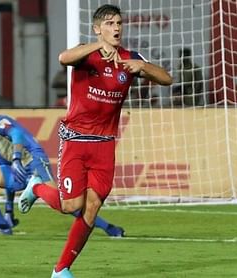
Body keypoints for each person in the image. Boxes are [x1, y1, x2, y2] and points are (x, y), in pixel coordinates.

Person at [17, 4, 172, 277]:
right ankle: (38, 187)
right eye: (110, 24)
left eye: (119, 23)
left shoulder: (130, 58)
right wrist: (95, 46)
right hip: (76, 140)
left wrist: (143, 66)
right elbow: (64, 58)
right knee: (71, 206)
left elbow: (167, 79)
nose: (117, 28)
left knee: (92, 206)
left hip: (104, 145)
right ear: (97, 28)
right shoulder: (85, 55)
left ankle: (61, 269)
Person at [0, 101, 125, 237]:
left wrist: (16, 157)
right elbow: (5, 175)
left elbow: (17, 134)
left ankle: (109, 228)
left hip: (34, 163)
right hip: (18, 171)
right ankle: (3, 225)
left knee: (65, 204)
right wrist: (9, 211)